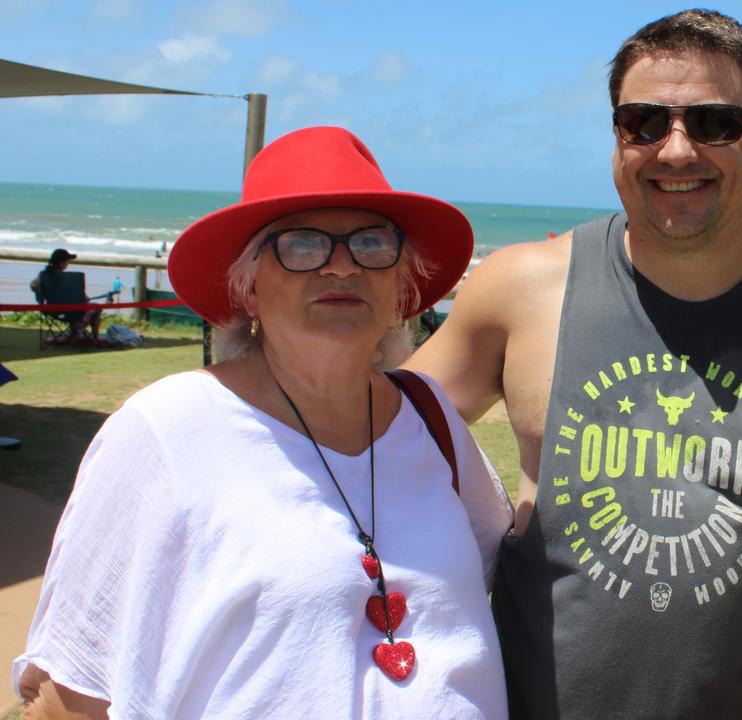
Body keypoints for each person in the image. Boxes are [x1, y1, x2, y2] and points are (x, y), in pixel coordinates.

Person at [404, 9, 742, 719]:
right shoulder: (519, 291)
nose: (675, 150)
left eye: (713, 123)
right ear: (616, 136)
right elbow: (374, 435)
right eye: (643, 122)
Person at [13, 126, 512, 719]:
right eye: (302, 246)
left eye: (371, 243)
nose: (341, 268)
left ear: (401, 282)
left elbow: (488, 580)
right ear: (248, 287)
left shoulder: (430, 418)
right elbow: (65, 696)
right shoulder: (167, 431)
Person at [30, 248, 102, 343]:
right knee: (96, 307)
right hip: (75, 311)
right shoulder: (72, 279)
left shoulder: (43, 275)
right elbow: (84, 299)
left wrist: (43, 296)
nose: (68, 263)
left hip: (52, 310)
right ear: (61, 263)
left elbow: (34, 286)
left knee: (77, 309)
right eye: (67, 261)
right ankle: (93, 337)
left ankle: (73, 334)